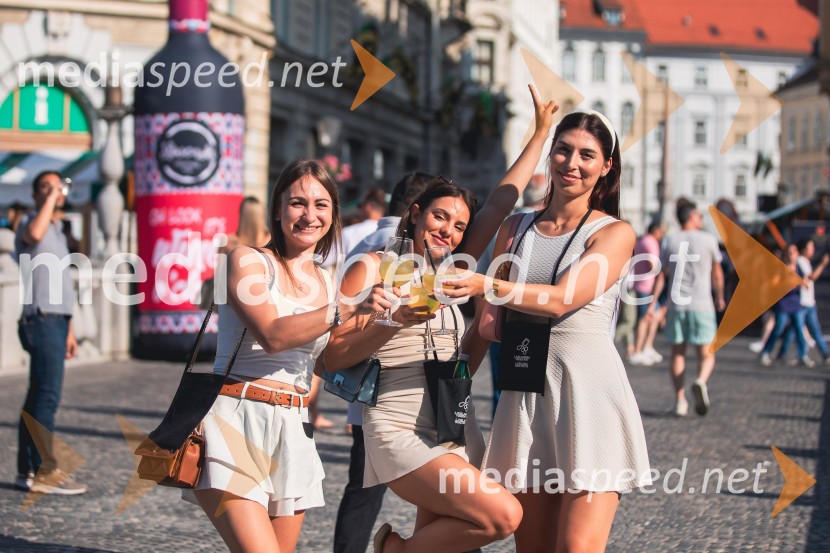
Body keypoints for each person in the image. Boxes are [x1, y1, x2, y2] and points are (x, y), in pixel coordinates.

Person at [325, 85, 557, 553]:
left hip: (452, 418)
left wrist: (541, 133)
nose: (448, 231)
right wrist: (393, 322)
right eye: (439, 216)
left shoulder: (453, 274)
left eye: (457, 225)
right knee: (503, 515)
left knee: (450, 540)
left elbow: (498, 205)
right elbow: (330, 356)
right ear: (414, 214)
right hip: (398, 425)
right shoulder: (371, 268)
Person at [448, 110, 651, 552]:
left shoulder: (614, 233)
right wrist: (453, 388)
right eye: (563, 149)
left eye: (586, 155)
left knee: (577, 547)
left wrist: (488, 284)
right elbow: (484, 326)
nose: (571, 163)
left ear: (606, 166)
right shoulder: (514, 228)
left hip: (588, 398)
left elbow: (562, 298)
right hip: (525, 400)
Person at [187, 159, 389, 552]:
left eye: (321, 205)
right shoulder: (246, 260)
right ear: (277, 210)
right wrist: (347, 307)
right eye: (297, 203)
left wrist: (388, 322)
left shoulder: (326, 279)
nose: (309, 215)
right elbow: (274, 334)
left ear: (333, 213)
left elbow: (327, 361)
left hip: (293, 430)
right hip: (237, 421)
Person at [332, 171, 433, 553]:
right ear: (417, 210)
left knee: (362, 489)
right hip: (401, 389)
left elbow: (339, 313)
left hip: (363, 392)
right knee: (441, 494)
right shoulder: (407, 252)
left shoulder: (357, 235)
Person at [14, 170, 85, 495]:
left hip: (57, 320)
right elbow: (34, 233)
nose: (54, 190)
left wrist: (70, 330)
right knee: (46, 398)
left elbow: (61, 285)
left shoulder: (58, 229)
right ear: (35, 194)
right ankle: (45, 470)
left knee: (36, 398)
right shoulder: (31, 223)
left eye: (58, 185)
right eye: (45, 186)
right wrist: (48, 200)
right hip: (41, 320)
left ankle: (27, 470)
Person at [649, 200, 725, 417]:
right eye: (700, 216)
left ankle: (680, 400)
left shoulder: (669, 240)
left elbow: (662, 276)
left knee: (677, 353)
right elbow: (717, 273)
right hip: (702, 303)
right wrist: (720, 297)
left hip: (676, 304)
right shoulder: (709, 240)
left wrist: (654, 304)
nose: (701, 220)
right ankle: (700, 380)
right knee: (707, 353)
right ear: (692, 217)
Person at [759, 244, 814, 367]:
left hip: (796, 303)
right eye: (789, 252)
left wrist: (803, 282)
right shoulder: (781, 267)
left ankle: (802, 355)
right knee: (778, 329)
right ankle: (765, 352)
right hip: (783, 304)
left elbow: (806, 282)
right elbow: (774, 284)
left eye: (793, 252)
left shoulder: (799, 266)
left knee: (799, 330)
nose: (791, 255)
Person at [628, 222, 665, 366]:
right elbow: (653, 265)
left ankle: (647, 347)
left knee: (656, 315)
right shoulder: (650, 242)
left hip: (644, 286)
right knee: (645, 319)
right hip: (645, 286)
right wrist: (661, 273)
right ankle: (638, 351)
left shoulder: (644, 240)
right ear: (656, 231)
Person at [790, 238, 829, 365]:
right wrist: (823, 264)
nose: (813, 250)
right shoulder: (800, 261)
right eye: (811, 247)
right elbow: (811, 277)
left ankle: (825, 353)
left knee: (812, 330)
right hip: (801, 303)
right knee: (798, 331)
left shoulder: (806, 262)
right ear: (803, 250)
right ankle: (802, 355)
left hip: (809, 302)